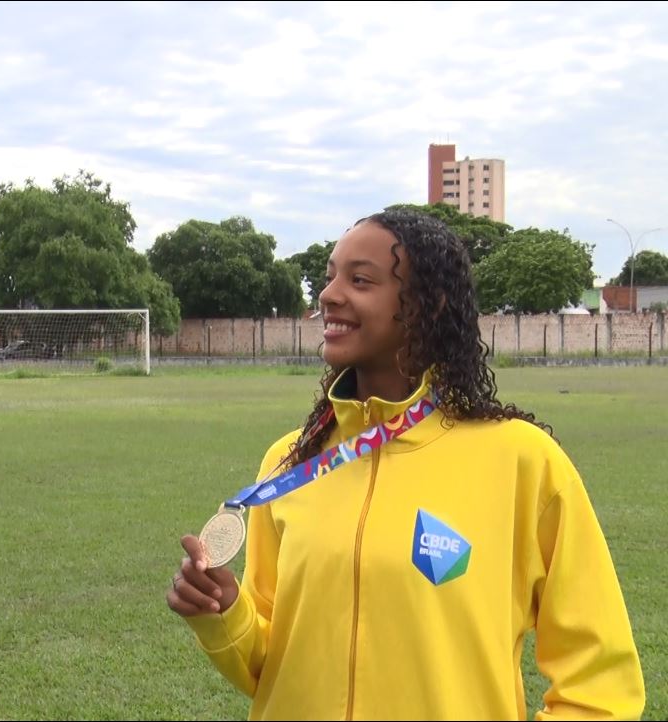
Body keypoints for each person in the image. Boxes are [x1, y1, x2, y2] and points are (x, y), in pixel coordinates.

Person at [167, 208, 645, 720]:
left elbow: (599, 684)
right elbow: (273, 669)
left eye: (360, 280)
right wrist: (225, 611)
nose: (329, 294)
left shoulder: (523, 463)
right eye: (330, 277)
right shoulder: (290, 462)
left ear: (426, 305)